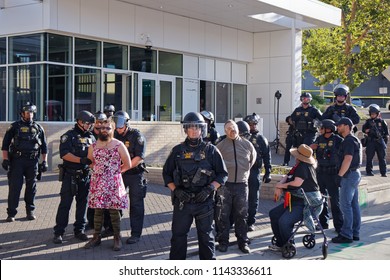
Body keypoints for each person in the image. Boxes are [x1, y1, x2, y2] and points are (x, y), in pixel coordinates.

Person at [162, 112, 228, 260]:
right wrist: (176, 190)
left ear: (202, 129)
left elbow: (223, 174)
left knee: (206, 239)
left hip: (204, 203)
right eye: (190, 127)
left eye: (197, 127)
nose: (194, 130)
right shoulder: (177, 151)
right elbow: (166, 174)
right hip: (183, 203)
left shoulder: (211, 150)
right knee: (178, 238)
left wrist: (210, 188)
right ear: (185, 129)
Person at [84, 118, 131, 251]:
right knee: (97, 211)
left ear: (113, 129)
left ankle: (117, 238)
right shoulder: (92, 146)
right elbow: (91, 162)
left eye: (107, 128)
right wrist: (100, 171)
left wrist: (114, 173)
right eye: (101, 128)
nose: (104, 130)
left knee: (114, 211)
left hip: (113, 183)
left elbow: (128, 164)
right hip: (98, 183)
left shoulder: (118, 145)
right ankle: (96, 237)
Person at [53, 110, 96, 244]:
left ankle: (79, 230)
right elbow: (64, 154)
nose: (90, 126)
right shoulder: (69, 136)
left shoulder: (92, 137)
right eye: (88, 123)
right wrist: (81, 160)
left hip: (85, 176)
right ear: (80, 122)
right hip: (70, 176)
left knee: (82, 204)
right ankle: (59, 232)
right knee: (65, 204)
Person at [269, 144, 322, 252]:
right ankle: (281, 242)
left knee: (284, 222)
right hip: (294, 201)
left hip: (304, 203)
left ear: (299, 157)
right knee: (273, 214)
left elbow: (297, 183)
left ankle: (288, 243)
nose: (294, 157)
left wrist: (281, 186)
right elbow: (287, 176)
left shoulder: (303, 166)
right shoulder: (299, 166)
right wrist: (279, 184)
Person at [1, 102, 48, 222]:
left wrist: (44, 162)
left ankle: (30, 211)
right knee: (15, 187)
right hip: (17, 161)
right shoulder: (14, 127)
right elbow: (5, 145)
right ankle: (11, 213)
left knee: (31, 187)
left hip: (32, 161)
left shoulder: (38, 128)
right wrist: (5, 159)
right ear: (22, 114)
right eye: (27, 112)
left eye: (31, 112)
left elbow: (44, 147)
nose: (29, 115)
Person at [216, 120, 256, 254]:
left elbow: (252, 161)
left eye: (233, 128)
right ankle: (223, 242)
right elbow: (215, 164)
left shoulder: (247, 144)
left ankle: (243, 242)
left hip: (241, 185)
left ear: (237, 128)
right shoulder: (220, 146)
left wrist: (243, 174)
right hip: (225, 186)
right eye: (228, 129)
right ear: (225, 131)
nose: (231, 130)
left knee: (242, 215)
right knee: (223, 215)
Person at [114, 110, 148, 245]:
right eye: (116, 126)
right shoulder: (114, 135)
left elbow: (139, 157)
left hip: (134, 174)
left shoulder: (136, 136)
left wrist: (122, 169)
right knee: (116, 203)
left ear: (127, 124)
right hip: (120, 174)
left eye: (121, 127)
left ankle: (135, 234)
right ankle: (113, 230)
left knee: (136, 204)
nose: (118, 129)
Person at [332, 117, 362, 243]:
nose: (337, 128)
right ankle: (354, 233)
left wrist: (339, 175)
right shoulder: (353, 140)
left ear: (347, 126)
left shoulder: (348, 141)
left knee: (345, 205)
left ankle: (346, 234)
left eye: (340, 125)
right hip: (355, 174)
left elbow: (348, 159)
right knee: (354, 205)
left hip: (349, 175)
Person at [310, 119, 344, 232]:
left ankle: (339, 226)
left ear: (328, 128)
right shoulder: (319, 139)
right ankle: (323, 223)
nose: (320, 130)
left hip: (332, 174)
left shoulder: (338, 140)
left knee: (335, 201)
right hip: (320, 173)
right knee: (321, 199)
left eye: (322, 128)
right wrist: (310, 148)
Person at [243, 113, 272, 232]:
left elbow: (267, 156)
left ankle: (251, 221)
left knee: (253, 198)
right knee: (238, 198)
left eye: (254, 124)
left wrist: (268, 172)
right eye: (250, 124)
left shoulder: (261, 139)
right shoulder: (241, 137)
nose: (252, 126)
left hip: (254, 171)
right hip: (242, 171)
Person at [362, 104, 388, 177]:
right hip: (371, 142)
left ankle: (383, 172)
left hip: (380, 142)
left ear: (377, 114)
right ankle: (369, 172)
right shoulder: (368, 122)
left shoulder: (382, 122)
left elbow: (386, 134)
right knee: (369, 158)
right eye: (371, 114)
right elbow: (363, 129)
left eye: (374, 114)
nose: (372, 115)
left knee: (382, 158)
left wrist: (384, 143)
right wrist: (367, 130)